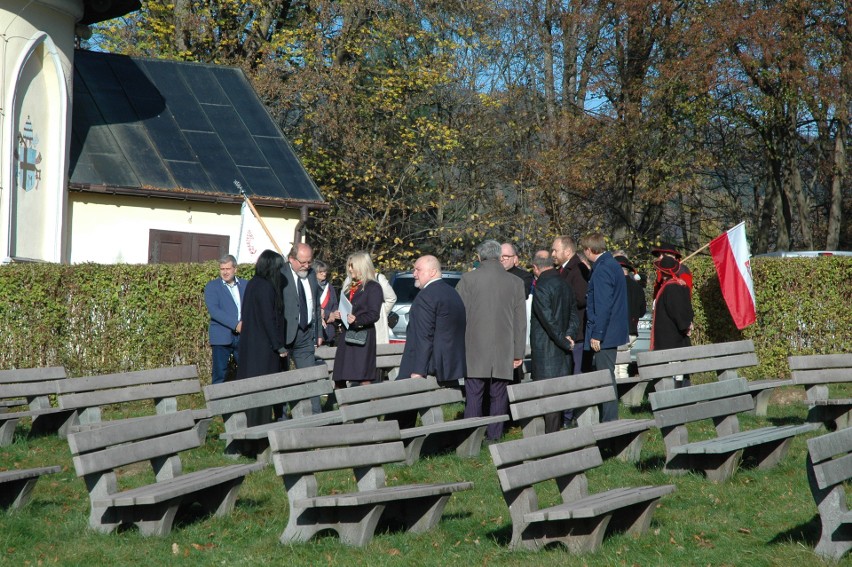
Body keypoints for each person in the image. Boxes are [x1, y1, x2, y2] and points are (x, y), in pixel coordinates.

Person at [456, 240, 527, 441]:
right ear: (498, 257)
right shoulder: (515, 282)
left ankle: (470, 438)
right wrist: (518, 352)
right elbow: (520, 322)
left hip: (474, 348)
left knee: (474, 394)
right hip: (504, 349)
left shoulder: (468, 280)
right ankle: (494, 436)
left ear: (479, 257)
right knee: (499, 394)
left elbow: (459, 316)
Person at [529, 250, 579, 433]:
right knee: (556, 400)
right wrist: (569, 336)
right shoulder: (564, 283)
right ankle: (554, 437)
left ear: (535, 267)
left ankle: (550, 442)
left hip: (547, 351)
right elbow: (574, 315)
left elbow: (547, 321)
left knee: (549, 402)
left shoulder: (542, 286)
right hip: (563, 351)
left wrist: (564, 341)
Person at [581, 232, 629, 422]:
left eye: (585, 250)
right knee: (606, 376)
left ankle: (609, 422)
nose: (584, 254)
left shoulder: (602, 269)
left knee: (605, 378)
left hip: (605, 334)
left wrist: (597, 334)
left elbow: (603, 305)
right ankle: (609, 419)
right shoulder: (613, 265)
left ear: (590, 249)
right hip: (612, 332)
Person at [237, 250, 288, 424]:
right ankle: (259, 432)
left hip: (251, 346)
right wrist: (278, 346)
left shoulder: (253, 284)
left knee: (251, 393)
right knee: (262, 393)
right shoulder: (266, 287)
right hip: (264, 350)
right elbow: (269, 319)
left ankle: (252, 430)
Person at [328, 252, 384, 387]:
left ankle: (368, 406)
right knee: (339, 376)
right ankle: (344, 406)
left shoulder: (373, 287)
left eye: (352, 266)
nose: (350, 269)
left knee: (363, 376)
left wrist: (357, 320)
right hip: (346, 336)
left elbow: (374, 314)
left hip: (362, 337)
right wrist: (338, 317)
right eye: (348, 265)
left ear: (362, 266)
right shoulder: (349, 287)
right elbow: (345, 309)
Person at [280, 243, 324, 411]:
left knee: (310, 379)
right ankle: (282, 417)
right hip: (285, 335)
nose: (306, 266)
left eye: (309, 262)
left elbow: (316, 304)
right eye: (302, 262)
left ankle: (316, 419)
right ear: (291, 259)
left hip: (306, 335)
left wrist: (319, 331)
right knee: (282, 381)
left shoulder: (311, 275)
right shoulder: (281, 274)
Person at [651, 255, 694, 387]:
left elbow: (678, 310)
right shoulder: (679, 285)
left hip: (671, 338)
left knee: (675, 370)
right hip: (673, 336)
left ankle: (676, 396)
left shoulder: (671, 287)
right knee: (675, 369)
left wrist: (686, 325)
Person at [204, 254, 247, 384]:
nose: (225, 272)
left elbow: (252, 307)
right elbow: (215, 311)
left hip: (243, 335)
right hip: (221, 336)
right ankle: (216, 403)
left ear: (235, 269)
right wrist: (236, 325)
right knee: (219, 373)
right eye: (222, 269)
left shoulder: (246, 285)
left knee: (246, 371)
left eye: (228, 269)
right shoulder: (212, 286)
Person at [551, 236, 590, 374]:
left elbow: (581, 298)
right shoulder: (563, 270)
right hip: (568, 332)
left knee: (577, 374)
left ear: (567, 251)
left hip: (577, 332)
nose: (553, 254)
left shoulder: (578, 270)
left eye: (555, 251)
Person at [342, 270, 397, 345]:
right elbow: (344, 300)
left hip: (373, 324)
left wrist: (380, 313)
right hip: (351, 325)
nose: (350, 269)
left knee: (373, 352)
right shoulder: (349, 280)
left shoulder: (378, 278)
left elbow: (391, 298)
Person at [313, 259, 338, 345]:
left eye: (325, 271)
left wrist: (334, 314)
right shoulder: (310, 287)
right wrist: (327, 313)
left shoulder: (329, 287)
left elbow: (335, 304)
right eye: (321, 272)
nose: (324, 274)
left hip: (329, 326)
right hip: (315, 329)